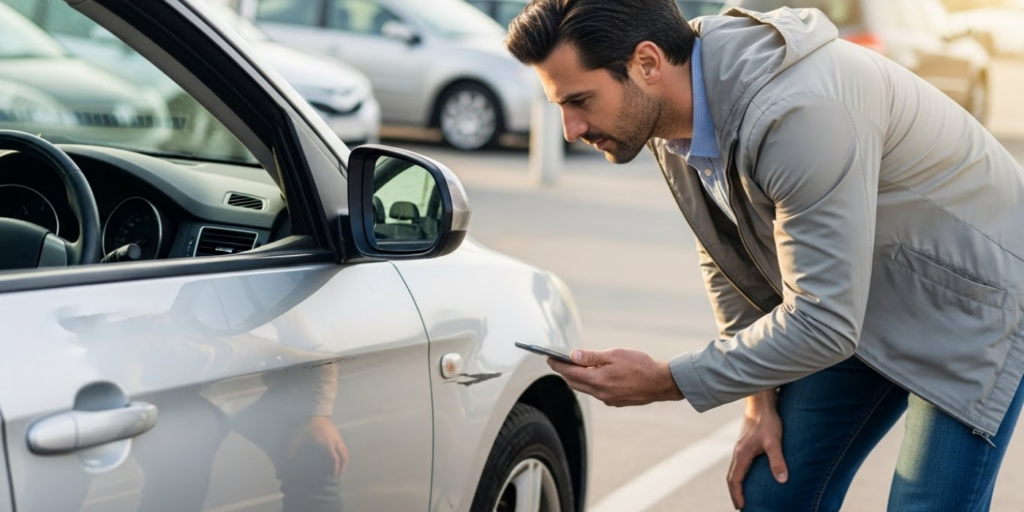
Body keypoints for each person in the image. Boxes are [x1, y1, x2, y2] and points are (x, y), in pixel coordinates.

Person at [504, 1, 1024, 510]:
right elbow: (726, 255)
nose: (571, 128)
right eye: (560, 108)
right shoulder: (673, 108)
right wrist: (759, 398)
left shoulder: (795, 114)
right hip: (855, 293)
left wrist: (665, 380)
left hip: (975, 300)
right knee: (774, 494)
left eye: (579, 101)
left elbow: (824, 322)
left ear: (646, 63)